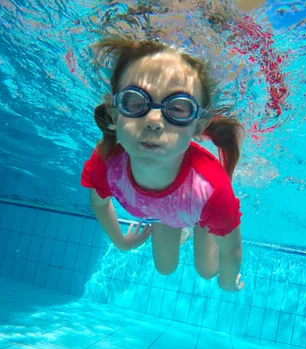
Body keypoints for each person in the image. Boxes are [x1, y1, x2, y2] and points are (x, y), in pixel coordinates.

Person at [81, 37, 245, 292]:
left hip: (200, 210)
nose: (154, 120)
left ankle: (200, 228)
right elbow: (99, 204)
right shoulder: (106, 161)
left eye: (178, 109)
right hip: (170, 211)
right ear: (114, 114)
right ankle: (183, 227)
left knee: (208, 271)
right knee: (164, 268)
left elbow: (232, 251)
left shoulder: (211, 190)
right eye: (135, 103)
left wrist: (227, 281)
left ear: (198, 127)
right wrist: (121, 242)